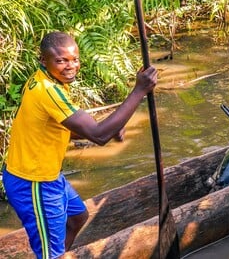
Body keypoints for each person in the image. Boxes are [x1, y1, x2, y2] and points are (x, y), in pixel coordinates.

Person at [2, 31, 158, 258]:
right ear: (43, 61)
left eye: (74, 59)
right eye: (61, 60)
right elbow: (99, 135)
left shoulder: (46, 80)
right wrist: (139, 90)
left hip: (48, 175)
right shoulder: (48, 91)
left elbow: (60, 127)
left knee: (77, 217)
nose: (70, 66)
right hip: (34, 183)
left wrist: (110, 127)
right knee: (50, 255)